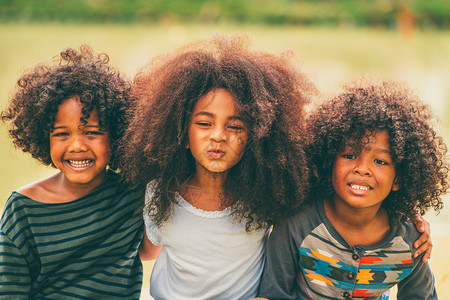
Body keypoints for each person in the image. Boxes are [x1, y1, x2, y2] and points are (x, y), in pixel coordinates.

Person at [118, 34, 315, 299]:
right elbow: (147, 251)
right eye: (204, 123)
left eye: (234, 126)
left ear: (256, 137)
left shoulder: (264, 198)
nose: (219, 136)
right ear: (181, 133)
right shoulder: (161, 193)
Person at [257, 78, 447, 299]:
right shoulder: (295, 225)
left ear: (399, 179)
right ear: (329, 162)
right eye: (349, 155)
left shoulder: (411, 239)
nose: (362, 168)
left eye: (381, 161)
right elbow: (274, 294)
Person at [0, 45, 144, 299]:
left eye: (92, 132)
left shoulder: (132, 194)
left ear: (117, 134)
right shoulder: (23, 210)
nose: (77, 145)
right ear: (43, 137)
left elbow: (153, 247)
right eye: (62, 134)